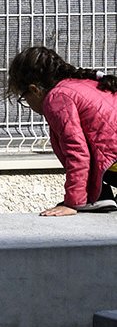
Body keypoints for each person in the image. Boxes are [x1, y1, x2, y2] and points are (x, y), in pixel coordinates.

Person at [6, 46, 117, 215]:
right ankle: (99, 196)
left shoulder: (57, 98)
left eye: (24, 97)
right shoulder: (84, 84)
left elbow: (77, 152)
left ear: (34, 89)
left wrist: (72, 203)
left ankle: (94, 198)